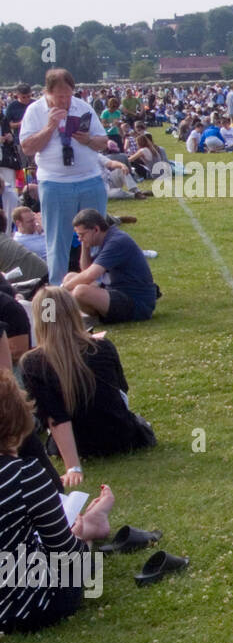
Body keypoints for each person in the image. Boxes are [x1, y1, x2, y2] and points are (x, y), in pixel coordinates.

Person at [0, 370, 117, 634]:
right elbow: (65, 554)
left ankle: (87, 525)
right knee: (77, 556)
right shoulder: (25, 474)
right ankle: (89, 527)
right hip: (29, 606)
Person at [20, 287, 156, 489]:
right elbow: (121, 392)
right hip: (123, 436)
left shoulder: (32, 362)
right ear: (73, 313)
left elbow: (55, 417)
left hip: (81, 444)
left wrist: (73, 466)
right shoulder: (102, 347)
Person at [18, 69, 109, 284]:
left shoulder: (83, 107)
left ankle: (94, 287)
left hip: (90, 179)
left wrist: (87, 140)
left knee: (96, 237)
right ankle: (58, 292)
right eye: (60, 96)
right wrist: (50, 126)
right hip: (55, 183)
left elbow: (103, 142)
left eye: (68, 95)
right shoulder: (35, 111)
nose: (65, 101)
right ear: (47, 93)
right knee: (57, 241)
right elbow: (27, 148)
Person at [62, 209, 156, 324]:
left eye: (82, 235)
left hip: (136, 302)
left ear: (96, 229)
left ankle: (96, 319)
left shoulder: (117, 241)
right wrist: (85, 245)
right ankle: (94, 318)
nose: (80, 239)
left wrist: (62, 290)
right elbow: (86, 270)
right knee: (70, 277)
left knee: (80, 291)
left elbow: (90, 275)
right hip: (116, 291)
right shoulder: (106, 238)